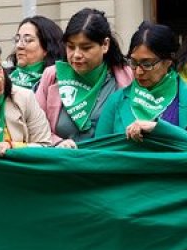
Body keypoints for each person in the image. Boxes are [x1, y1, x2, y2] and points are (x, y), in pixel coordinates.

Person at [96, 22, 187, 149]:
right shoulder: (116, 100)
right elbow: (98, 149)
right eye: (133, 63)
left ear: (168, 61)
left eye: (147, 64)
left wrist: (159, 129)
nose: (138, 72)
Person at [35, 8, 132, 147]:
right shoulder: (52, 76)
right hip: (62, 158)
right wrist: (58, 143)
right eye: (70, 47)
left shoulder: (127, 76)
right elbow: (35, 127)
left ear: (105, 45)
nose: (76, 55)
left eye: (86, 48)